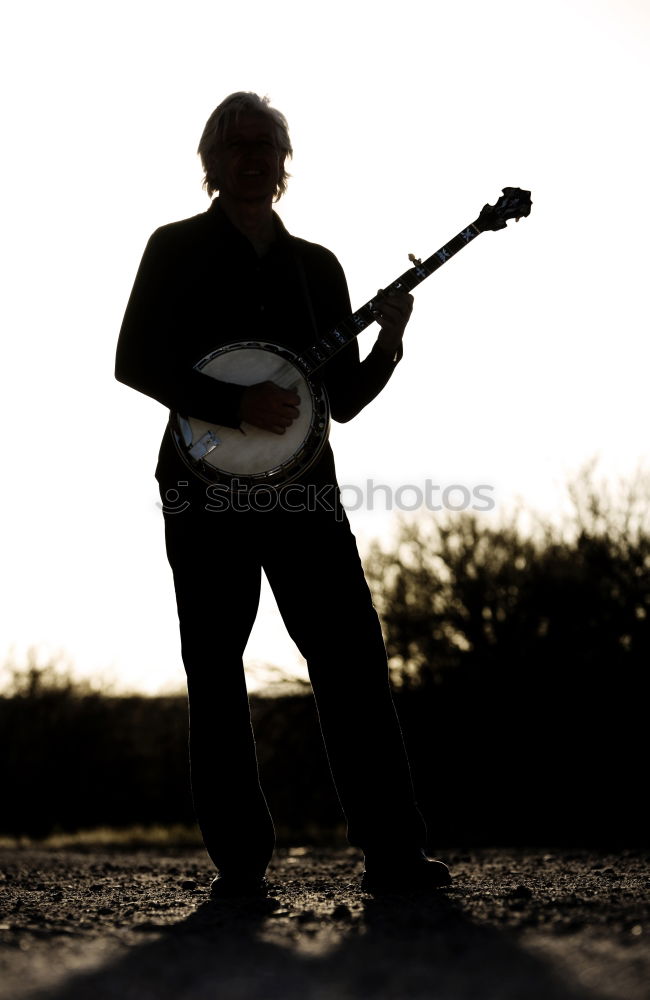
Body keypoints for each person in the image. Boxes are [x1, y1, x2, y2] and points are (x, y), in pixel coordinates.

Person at [115, 92, 451, 897]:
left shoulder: (318, 268)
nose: (252, 153)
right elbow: (133, 359)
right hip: (203, 491)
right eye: (235, 143)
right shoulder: (174, 248)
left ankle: (394, 852)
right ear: (211, 161)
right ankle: (240, 865)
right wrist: (233, 405)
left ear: (283, 159)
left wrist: (393, 343)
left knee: (353, 657)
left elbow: (344, 399)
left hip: (305, 494)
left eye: (266, 142)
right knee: (216, 664)